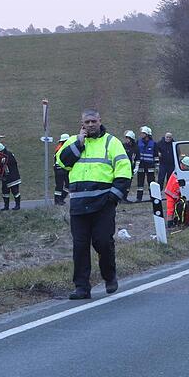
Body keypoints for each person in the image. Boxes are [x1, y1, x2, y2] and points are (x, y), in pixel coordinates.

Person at [56, 109, 132, 299]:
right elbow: (62, 163)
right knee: (80, 247)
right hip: (79, 205)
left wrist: (113, 197)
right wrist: (79, 143)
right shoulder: (73, 142)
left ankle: (109, 276)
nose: (90, 125)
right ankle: (82, 287)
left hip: (103, 204)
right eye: (87, 122)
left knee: (103, 242)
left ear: (100, 121)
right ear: (82, 123)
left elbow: (124, 170)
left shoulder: (112, 142)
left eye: (93, 121)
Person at [163, 156, 189, 227]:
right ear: (184, 165)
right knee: (170, 209)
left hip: (173, 193)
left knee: (175, 208)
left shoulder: (180, 170)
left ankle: (177, 220)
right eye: (188, 167)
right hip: (171, 193)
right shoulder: (179, 171)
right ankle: (170, 224)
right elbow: (175, 185)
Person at [0, 143, 22, 211]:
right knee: (5, 193)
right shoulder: (1, 156)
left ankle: (17, 205)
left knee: (15, 192)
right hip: (5, 178)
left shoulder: (8, 155)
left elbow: (8, 162)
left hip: (13, 178)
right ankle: (6, 206)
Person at [135, 126, 157, 202]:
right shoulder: (138, 142)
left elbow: (156, 156)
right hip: (141, 165)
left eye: (143, 133)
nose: (141, 134)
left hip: (150, 166)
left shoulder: (153, 143)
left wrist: (157, 166)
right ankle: (139, 198)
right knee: (140, 183)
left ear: (147, 134)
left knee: (151, 182)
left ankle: (153, 196)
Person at [53, 133, 71, 205]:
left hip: (64, 168)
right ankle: (57, 200)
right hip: (60, 168)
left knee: (67, 185)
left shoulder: (60, 147)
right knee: (60, 185)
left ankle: (60, 199)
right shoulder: (62, 148)